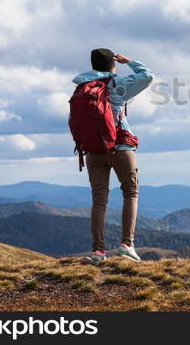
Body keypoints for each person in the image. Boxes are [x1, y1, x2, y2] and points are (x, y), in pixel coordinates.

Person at [72, 48, 154, 264]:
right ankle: (127, 245)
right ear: (112, 64)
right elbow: (147, 76)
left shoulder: (82, 87)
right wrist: (130, 62)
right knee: (130, 193)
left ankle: (98, 252)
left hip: (93, 150)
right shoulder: (117, 84)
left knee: (99, 200)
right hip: (120, 147)